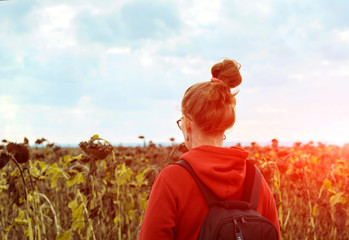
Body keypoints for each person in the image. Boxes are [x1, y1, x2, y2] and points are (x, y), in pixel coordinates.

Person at [138, 59, 281, 239]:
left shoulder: (172, 180)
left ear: (188, 123)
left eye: (181, 122)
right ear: (225, 124)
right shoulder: (256, 179)